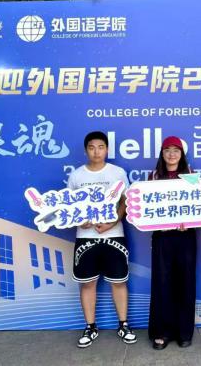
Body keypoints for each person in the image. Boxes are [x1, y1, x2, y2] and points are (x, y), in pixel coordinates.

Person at [68, 131, 137, 348]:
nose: (96, 151)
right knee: (88, 283)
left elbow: (126, 201)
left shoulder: (117, 173)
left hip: (114, 235)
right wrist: (79, 220)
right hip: (85, 237)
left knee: (119, 282)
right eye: (91, 147)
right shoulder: (77, 176)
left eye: (100, 147)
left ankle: (123, 324)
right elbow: (69, 205)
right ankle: (90, 327)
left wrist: (113, 221)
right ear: (86, 150)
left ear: (107, 149)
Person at [148, 136, 197, 350]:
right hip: (162, 237)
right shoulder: (153, 176)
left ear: (182, 154)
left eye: (176, 150)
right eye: (167, 150)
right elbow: (147, 209)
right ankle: (162, 332)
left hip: (185, 236)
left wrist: (190, 221)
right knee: (162, 283)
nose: (171, 154)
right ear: (162, 153)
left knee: (185, 282)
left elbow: (198, 206)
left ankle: (184, 332)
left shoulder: (191, 176)